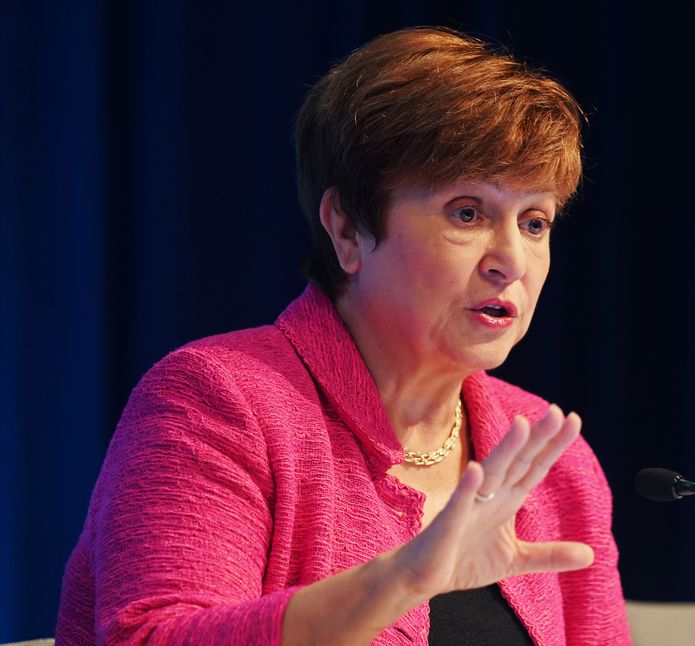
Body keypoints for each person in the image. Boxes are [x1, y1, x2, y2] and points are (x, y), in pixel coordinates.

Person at [56, 27, 632, 645]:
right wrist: (398, 582)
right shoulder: (219, 401)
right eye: (467, 212)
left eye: (535, 222)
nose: (512, 259)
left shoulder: (548, 455)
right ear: (348, 228)